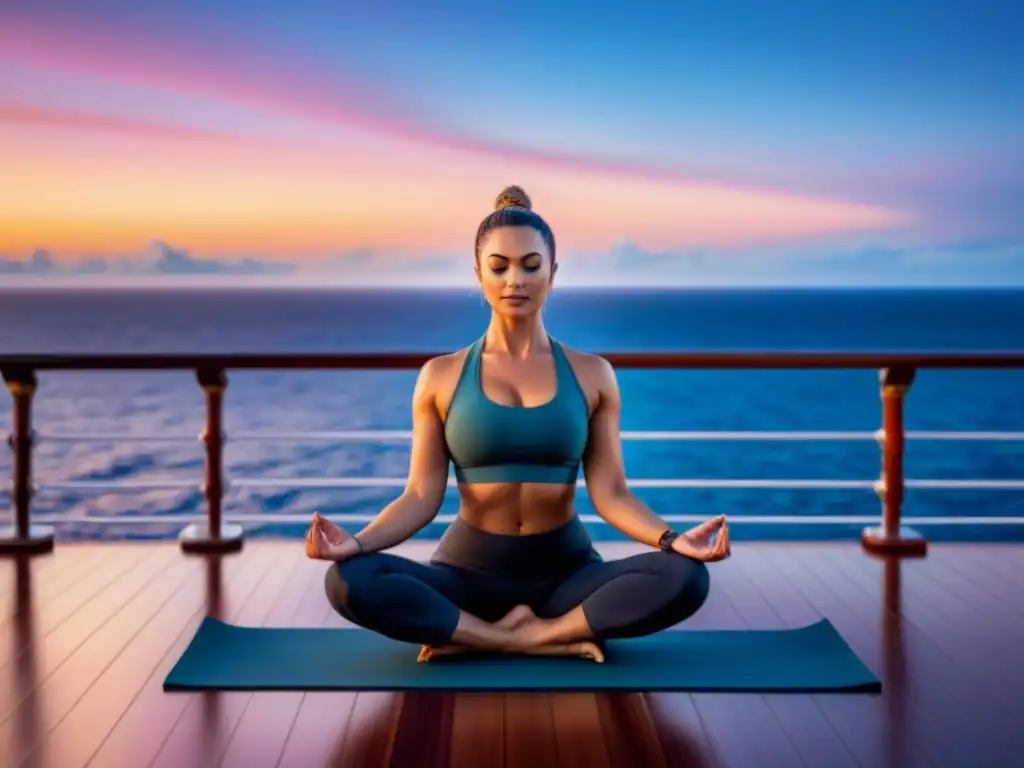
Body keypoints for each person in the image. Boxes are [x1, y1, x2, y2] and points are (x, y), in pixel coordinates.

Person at [306, 185, 730, 663]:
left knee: (686, 577)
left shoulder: (593, 374)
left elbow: (611, 493)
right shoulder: (440, 377)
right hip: (468, 575)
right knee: (347, 580)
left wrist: (673, 540)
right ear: (478, 274)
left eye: (531, 265)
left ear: (553, 272)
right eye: (499, 266)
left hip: (567, 575)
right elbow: (421, 496)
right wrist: (356, 543)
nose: (516, 280)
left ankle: (500, 636)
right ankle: (527, 637)